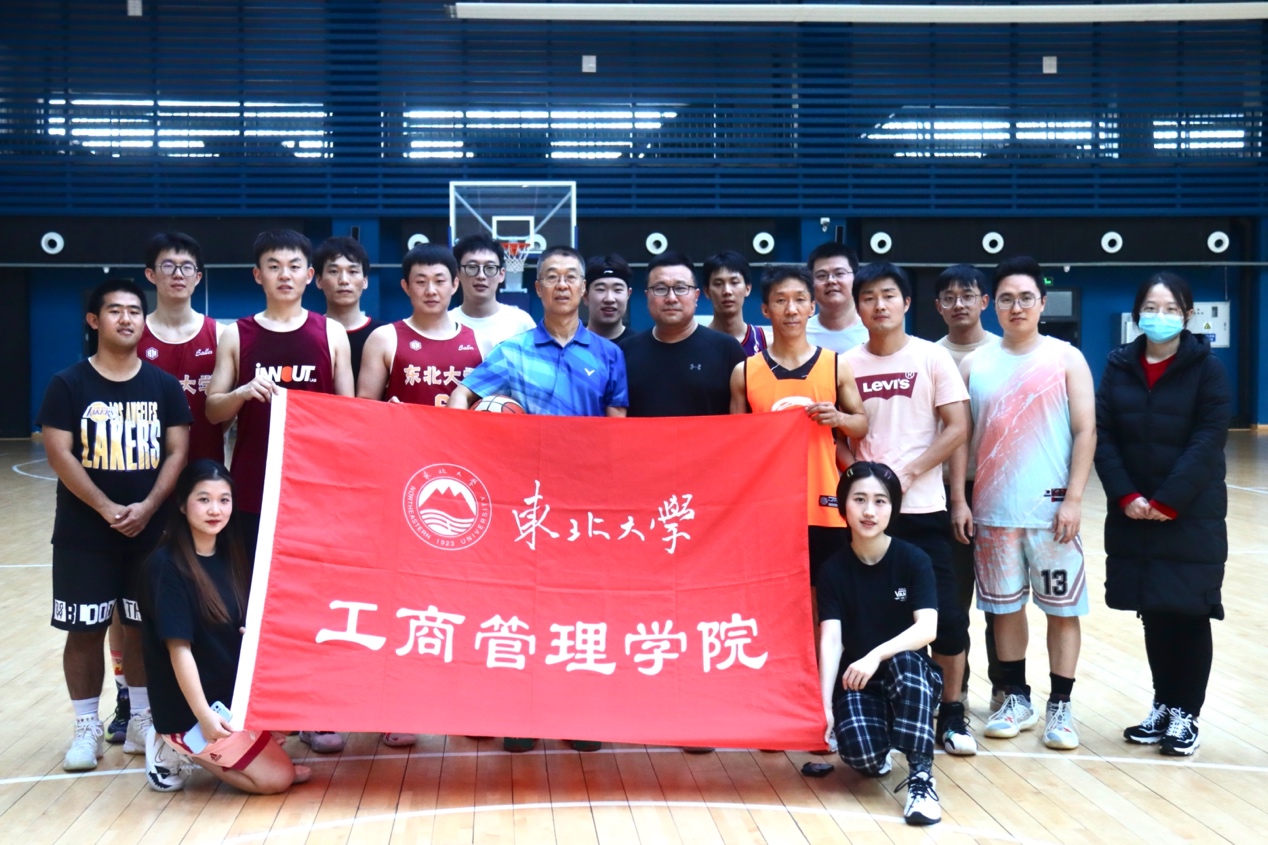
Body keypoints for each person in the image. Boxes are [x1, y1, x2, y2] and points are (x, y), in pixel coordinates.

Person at [449, 245, 627, 754]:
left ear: (583, 288)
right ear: (538, 288)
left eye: (572, 276)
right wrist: (460, 431)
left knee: (580, 609)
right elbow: (464, 394)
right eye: (552, 276)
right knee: (523, 607)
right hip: (524, 505)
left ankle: (579, 713)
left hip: (585, 507)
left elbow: (618, 431)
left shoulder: (608, 354)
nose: (562, 284)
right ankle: (523, 713)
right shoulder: (514, 350)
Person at [205, 229, 354, 756]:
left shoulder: (330, 332)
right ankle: (258, 711)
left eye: (294, 266)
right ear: (258, 275)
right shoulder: (237, 335)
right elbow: (213, 409)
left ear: (310, 276)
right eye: (274, 265)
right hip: (252, 490)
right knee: (251, 604)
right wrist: (243, 392)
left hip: (316, 494)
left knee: (313, 603)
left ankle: (314, 709)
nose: (285, 274)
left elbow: (351, 415)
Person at [37, 279, 192, 771]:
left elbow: (178, 451)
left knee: (144, 627)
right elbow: (59, 453)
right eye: (115, 311)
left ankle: (142, 719)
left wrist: (148, 506)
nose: (126, 319)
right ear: (94, 320)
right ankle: (86, 727)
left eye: (134, 311)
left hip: (150, 531)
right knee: (85, 629)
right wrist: (106, 507)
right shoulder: (68, 384)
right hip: (84, 535)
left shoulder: (163, 385)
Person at [953, 256, 1096, 751]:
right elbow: (960, 438)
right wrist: (959, 499)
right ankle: (1016, 697)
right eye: (1007, 299)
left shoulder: (1066, 358)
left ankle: (1062, 704)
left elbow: (1086, 430)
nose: (1017, 307)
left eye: (1026, 298)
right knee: (1004, 610)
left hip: (1052, 513)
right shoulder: (975, 364)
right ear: (993, 305)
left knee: (1062, 610)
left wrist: (1073, 499)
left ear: (1042, 303)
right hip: (992, 510)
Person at [1095, 273, 1230, 756]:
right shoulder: (1118, 366)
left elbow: (1208, 439)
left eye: (1171, 308)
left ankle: (1186, 714)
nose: (1161, 316)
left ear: (1188, 315)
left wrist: (1169, 499)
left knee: (1189, 612)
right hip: (1134, 512)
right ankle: (1164, 705)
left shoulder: (1207, 369)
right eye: (1152, 308)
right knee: (1153, 611)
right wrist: (1126, 495)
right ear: (1137, 314)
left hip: (1190, 514)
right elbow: (1103, 435)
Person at [844, 262, 975, 756]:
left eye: (888, 295)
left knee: (947, 620)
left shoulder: (932, 357)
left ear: (905, 302)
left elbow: (957, 427)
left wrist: (907, 474)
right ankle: (876, 709)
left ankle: (953, 713)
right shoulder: (844, 364)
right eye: (869, 297)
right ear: (858, 308)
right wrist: (862, 482)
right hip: (866, 519)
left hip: (922, 511)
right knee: (873, 620)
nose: (879, 305)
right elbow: (835, 437)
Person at [139, 459, 310, 793]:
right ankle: (174, 743)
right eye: (203, 499)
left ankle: (248, 747)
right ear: (182, 504)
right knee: (277, 779)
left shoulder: (231, 553)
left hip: (231, 695)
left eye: (224, 499)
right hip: (191, 709)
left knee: (301, 711)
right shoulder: (166, 567)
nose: (215, 510)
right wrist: (203, 715)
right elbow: (179, 651)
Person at [730, 265, 867, 593]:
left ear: (811, 307)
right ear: (766, 310)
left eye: (799, 300)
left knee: (827, 601)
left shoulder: (836, 365)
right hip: (768, 507)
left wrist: (839, 419)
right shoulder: (744, 372)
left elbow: (861, 424)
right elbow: (735, 448)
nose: (790, 309)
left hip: (824, 503)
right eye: (780, 301)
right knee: (772, 597)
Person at [819, 461, 942, 826]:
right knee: (863, 758)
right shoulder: (832, 570)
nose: (869, 511)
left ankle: (921, 777)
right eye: (859, 499)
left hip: (911, 678)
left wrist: (875, 655)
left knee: (905, 663)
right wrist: (824, 706)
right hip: (861, 683)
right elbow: (831, 640)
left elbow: (928, 629)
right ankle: (884, 740)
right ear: (844, 506)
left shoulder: (913, 560)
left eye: (880, 501)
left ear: (893, 508)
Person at [933, 264, 1003, 710]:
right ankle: (952, 691)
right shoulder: (929, 356)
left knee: (1000, 597)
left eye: (968, 295)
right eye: (949, 297)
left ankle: (1005, 688)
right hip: (943, 491)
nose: (959, 304)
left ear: (984, 302)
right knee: (952, 597)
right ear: (938, 306)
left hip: (997, 488)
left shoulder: (1003, 352)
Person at [358, 243, 483, 408]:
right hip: (403, 426)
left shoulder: (481, 342)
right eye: (421, 282)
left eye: (439, 281)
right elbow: (364, 406)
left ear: (454, 285)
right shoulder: (384, 338)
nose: (431, 291)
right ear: (406, 287)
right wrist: (387, 410)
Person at [624, 251, 745, 417]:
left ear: (696, 296)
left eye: (680, 288)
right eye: (660, 289)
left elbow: (744, 421)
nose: (671, 298)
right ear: (647, 296)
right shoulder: (625, 352)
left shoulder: (727, 349)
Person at [449, 234, 536, 357]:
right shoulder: (445, 323)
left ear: (501, 275)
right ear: (457, 273)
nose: (481, 276)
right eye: (472, 267)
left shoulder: (521, 323)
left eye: (490, 267)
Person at [314, 236, 382, 389]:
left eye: (353, 271)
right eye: (333, 271)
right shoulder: (309, 333)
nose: (344, 280)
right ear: (318, 280)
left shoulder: (385, 334)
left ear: (365, 281)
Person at [805, 242, 868, 353]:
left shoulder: (873, 331)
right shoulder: (800, 335)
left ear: (856, 278)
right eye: (821, 275)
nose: (831, 281)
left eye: (839, 273)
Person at [703, 250, 769, 356]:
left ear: (747, 289)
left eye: (734, 282)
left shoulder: (768, 344)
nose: (727, 291)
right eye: (718, 284)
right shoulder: (697, 345)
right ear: (707, 292)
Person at [584, 253, 633, 344]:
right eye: (600, 289)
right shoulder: (572, 345)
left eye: (617, 290)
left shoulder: (640, 346)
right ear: (585, 296)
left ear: (628, 294)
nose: (609, 299)